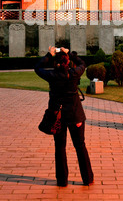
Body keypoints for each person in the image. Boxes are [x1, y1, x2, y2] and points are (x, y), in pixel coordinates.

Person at [35, 46, 94, 187]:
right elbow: (83, 64)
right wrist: (71, 54)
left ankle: (62, 180)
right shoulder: (74, 73)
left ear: (55, 63)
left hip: (58, 116)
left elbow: (37, 68)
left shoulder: (51, 75)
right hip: (75, 115)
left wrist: (49, 54)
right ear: (68, 62)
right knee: (80, 146)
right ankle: (87, 178)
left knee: (59, 147)